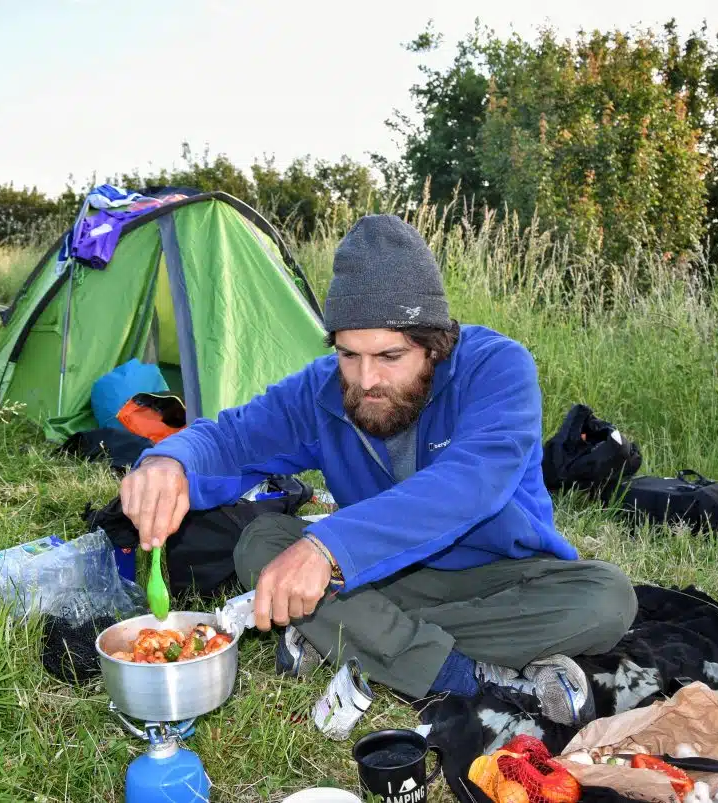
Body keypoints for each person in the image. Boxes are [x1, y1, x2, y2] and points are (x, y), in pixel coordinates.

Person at [119, 214, 637, 726]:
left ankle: (350, 637)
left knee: (607, 600)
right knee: (261, 544)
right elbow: (231, 439)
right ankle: (462, 674)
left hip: (500, 576)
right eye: (348, 354)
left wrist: (329, 549)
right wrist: (171, 460)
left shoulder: (497, 368)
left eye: (390, 355)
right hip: (383, 575)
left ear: (434, 344)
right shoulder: (322, 389)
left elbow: (471, 484)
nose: (366, 379)